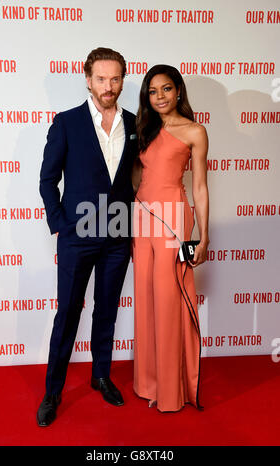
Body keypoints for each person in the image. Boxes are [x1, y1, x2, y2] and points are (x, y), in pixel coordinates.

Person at [37, 47, 137, 426]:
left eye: (115, 79)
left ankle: (101, 375)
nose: (108, 86)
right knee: (68, 314)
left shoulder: (133, 122)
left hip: (117, 235)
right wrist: (62, 224)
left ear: (122, 81)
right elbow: (47, 181)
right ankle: (52, 392)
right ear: (87, 78)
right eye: (101, 79)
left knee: (107, 310)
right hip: (78, 235)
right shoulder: (67, 123)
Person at [132, 64, 209, 412]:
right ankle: (148, 383)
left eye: (166, 89)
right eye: (153, 91)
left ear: (178, 90)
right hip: (141, 218)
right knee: (146, 299)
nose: (159, 96)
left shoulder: (194, 131)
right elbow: (136, 177)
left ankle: (170, 391)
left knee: (167, 300)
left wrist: (203, 237)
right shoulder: (143, 128)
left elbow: (201, 188)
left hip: (174, 220)